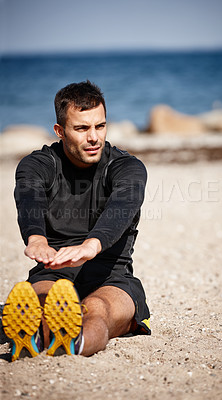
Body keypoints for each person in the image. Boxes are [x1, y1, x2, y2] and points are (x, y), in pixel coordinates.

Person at [2, 80, 151, 361]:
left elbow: (123, 206)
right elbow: (29, 196)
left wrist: (91, 246)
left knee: (97, 309)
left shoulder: (126, 168)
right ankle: (35, 332)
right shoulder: (38, 165)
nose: (94, 137)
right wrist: (36, 238)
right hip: (53, 271)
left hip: (111, 278)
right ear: (60, 131)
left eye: (100, 126)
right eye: (82, 128)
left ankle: (74, 342)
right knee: (44, 300)